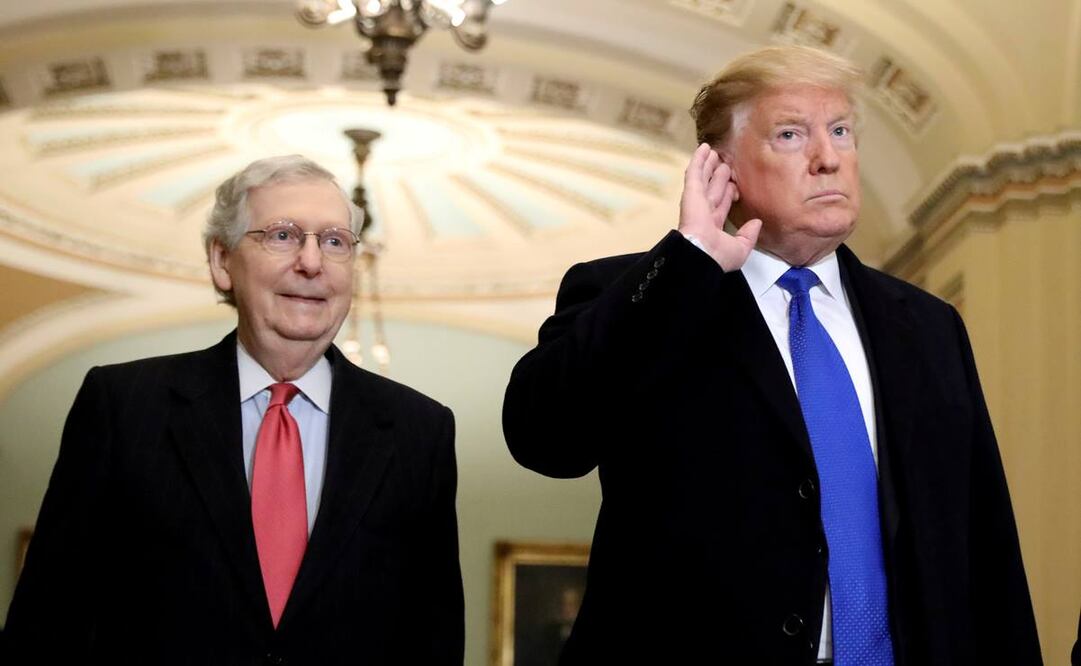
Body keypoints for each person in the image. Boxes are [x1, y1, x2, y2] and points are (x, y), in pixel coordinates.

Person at [502, 45, 1041, 665]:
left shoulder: (927, 325)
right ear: (720, 168)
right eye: (791, 134)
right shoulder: (647, 296)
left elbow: (986, 539)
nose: (828, 158)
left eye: (840, 131)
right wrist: (686, 262)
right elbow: (544, 438)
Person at [4, 155, 464, 665]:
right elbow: (47, 623)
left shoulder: (420, 431)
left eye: (334, 241)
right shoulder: (124, 405)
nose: (312, 262)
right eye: (283, 236)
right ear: (222, 261)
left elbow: (433, 640)